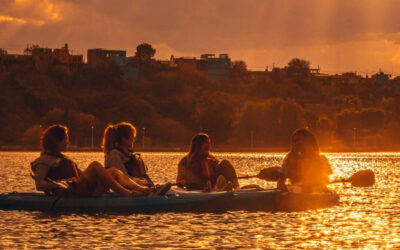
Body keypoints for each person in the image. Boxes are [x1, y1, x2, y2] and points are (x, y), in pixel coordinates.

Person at [31, 124, 162, 197]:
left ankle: (144, 190)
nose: (68, 141)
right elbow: (39, 184)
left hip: (82, 190)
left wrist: (101, 177)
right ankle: (128, 193)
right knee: (95, 165)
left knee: (113, 172)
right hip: (71, 192)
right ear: (57, 141)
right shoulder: (43, 161)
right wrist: (57, 185)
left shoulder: (61, 158)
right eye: (66, 138)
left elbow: (80, 176)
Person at [102, 122, 170, 192]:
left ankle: (152, 189)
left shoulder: (130, 154)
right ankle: (148, 190)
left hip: (138, 187)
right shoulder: (114, 154)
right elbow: (123, 178)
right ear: (123, 138)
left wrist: (148, 184)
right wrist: (140, 182)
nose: (134, 138)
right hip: (124, 191)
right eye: (131, 135)